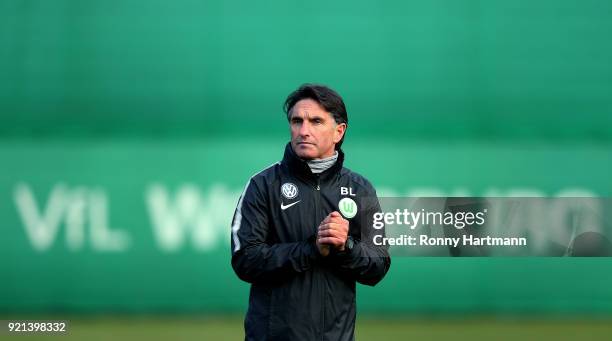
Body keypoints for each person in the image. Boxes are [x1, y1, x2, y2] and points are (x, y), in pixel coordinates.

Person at [231, 83, 391, 340]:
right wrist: (311, 250)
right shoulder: (263, 185)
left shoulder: (360, 189)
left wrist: (345, 247)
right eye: (297, 121)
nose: (303, 131)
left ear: (339, 131)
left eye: (316, 121)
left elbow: (378, 265)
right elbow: (245, 260)